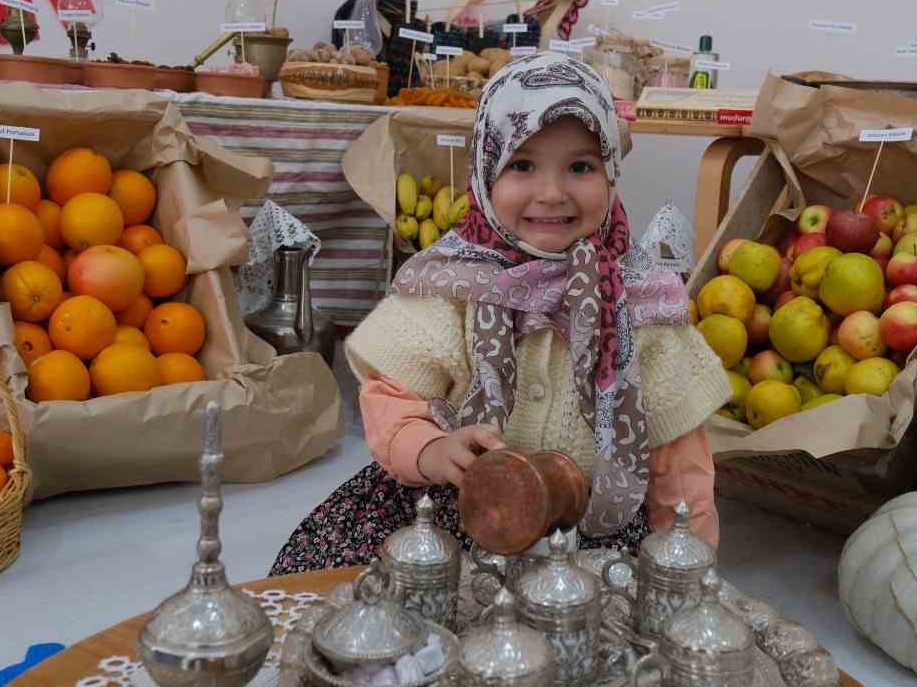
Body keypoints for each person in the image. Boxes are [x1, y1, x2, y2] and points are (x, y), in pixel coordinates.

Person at [269, 52, 728, 575]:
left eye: (580, 167)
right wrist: (430, 450)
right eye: (522, 165)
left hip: (593, 534)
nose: (551, 193)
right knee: (380, 607)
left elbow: (679, 454)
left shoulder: (643, 301)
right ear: (485, 171)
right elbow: (389, 393)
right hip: (454, 508)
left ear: (611, 172)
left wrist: (687, 559)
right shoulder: (452, 281)